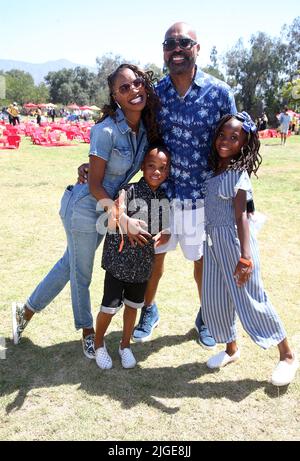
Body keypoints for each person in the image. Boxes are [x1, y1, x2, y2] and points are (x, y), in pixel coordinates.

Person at [12, 64, 161, 359]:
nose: (133, 90)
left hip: (105, 205)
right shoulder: (104, 130)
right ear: (115, 97)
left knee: (69, 265)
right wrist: (121, 218)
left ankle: (25, 311)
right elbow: (94, 185)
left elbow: (124, 175)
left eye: (137, 83)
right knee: (81, 272)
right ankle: (88, 332)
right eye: (124, 88)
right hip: (83, 206)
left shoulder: (145, 130)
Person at [131, 22, 238, 348]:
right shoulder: (156, 94)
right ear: (164, 51)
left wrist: (237, 194)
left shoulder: (219, 93)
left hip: (202, 197)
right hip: (161, 196)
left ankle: (206, 315)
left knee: (202, 262)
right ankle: (148, 310)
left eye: (183, 43)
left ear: (197, 48)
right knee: (153, 259)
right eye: (169, 44)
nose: (176, 49)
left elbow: (236, 144)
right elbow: (135, 136)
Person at [201, 111, 298, 386]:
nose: (225, 141)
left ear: (244, 144)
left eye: (234, 138)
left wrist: (245, 256)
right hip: (213, 245)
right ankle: (231, 349)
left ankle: (288, 355)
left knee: (252, 300)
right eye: (222, 134)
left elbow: (241, 216)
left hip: (234, 245)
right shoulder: (214, 170)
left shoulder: (237, 175)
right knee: (216, 297)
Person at [94, 145, 170, 369]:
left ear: (167, 172)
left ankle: (125, 345)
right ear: (143, 167)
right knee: (109, 307)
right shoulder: (128, 190)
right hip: (119, 262)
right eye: (151, 166)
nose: (156, 172)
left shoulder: (164, 198)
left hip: (142, 264)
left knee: (133, 307)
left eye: (162, 168)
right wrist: (123, 218)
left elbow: (163, 230)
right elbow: (112, 220)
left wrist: (165, 235)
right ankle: (99, 344)